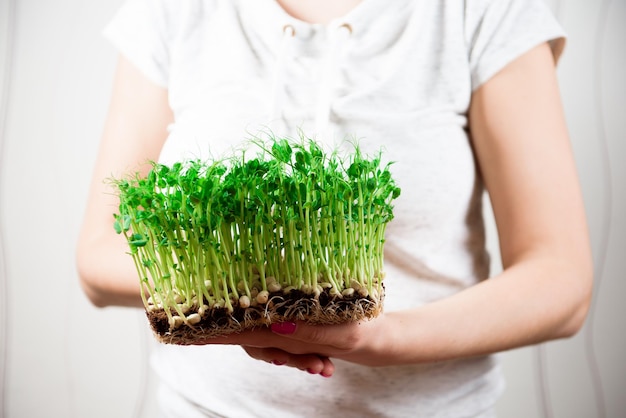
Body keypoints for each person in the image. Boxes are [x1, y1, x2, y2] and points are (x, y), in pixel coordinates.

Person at [76, 0, 593, 416]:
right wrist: (237, 294)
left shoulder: (483, 11)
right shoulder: (173, 10)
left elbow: (561, 281)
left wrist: (383, 337)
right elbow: (100, 259)